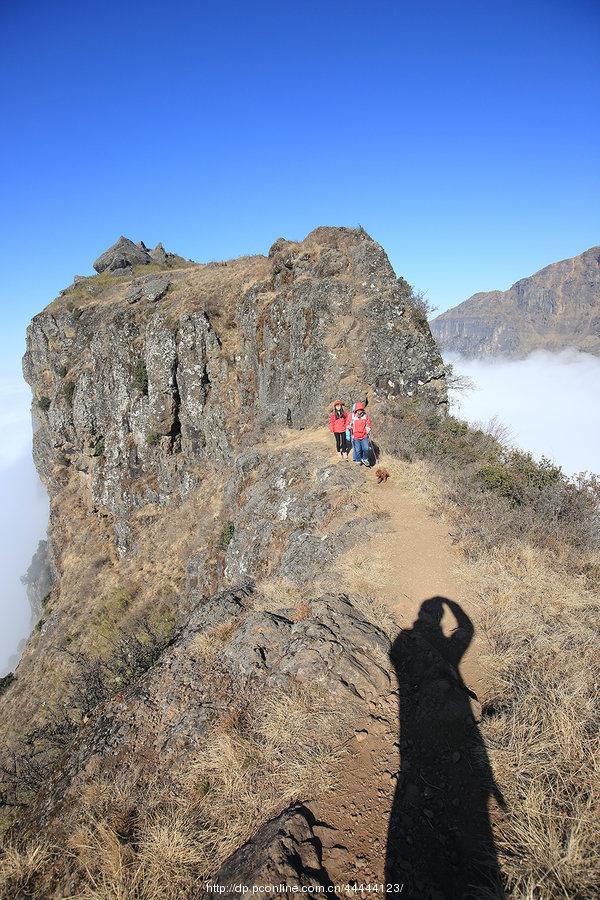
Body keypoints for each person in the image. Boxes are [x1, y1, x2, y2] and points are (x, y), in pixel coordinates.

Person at [349, 402, 372, 466]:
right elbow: (348, 424)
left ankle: (365, 459)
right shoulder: (353, 417)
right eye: (358, 410)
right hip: (356, 437)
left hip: (364, 436)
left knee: (366, 448)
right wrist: (349, 425)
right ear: (356, 410)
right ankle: (358, 460)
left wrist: (368, 428)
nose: (359, 412)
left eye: (361, 410)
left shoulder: (365, 416)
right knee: (358, 450)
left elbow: (368, 422)